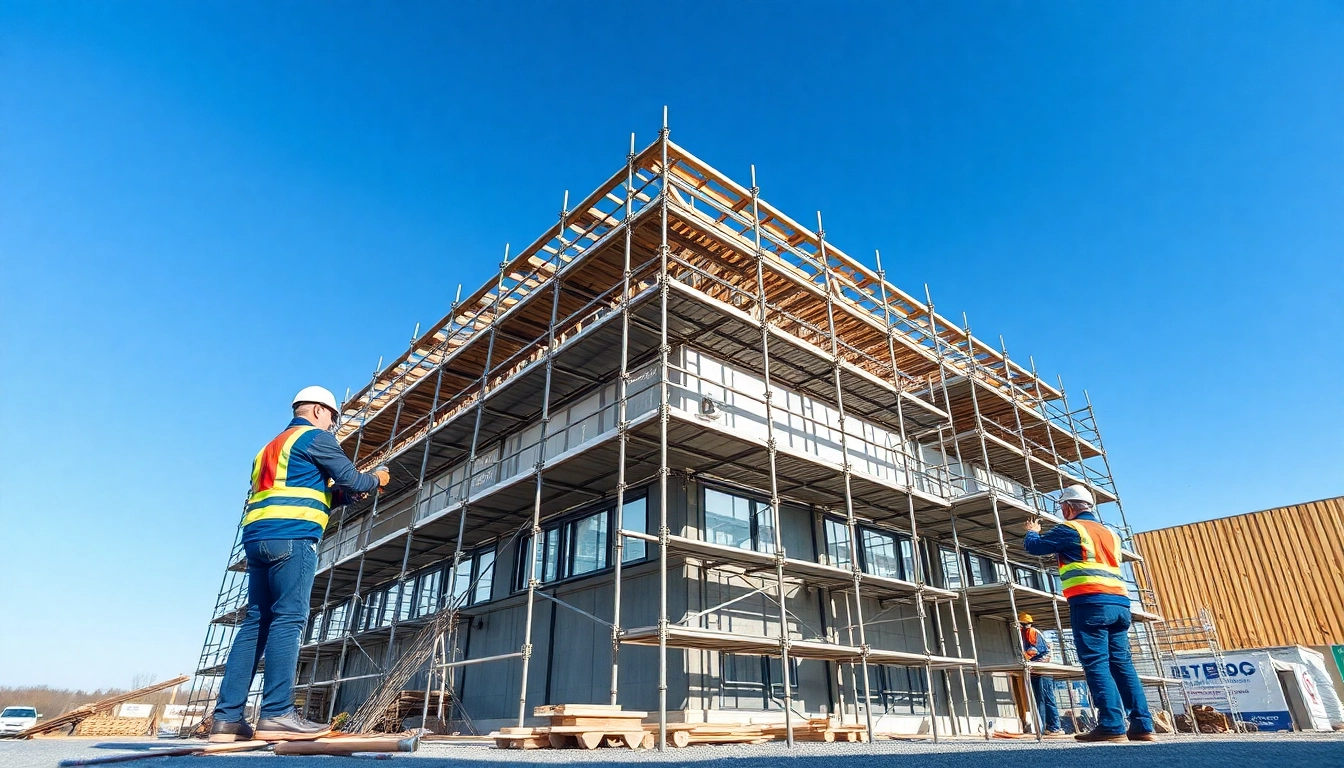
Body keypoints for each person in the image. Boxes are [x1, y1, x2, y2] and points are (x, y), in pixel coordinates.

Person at [210, 386, 388, 742]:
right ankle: (277, 713)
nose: (333, 426)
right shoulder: (316, 439)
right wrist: (375, 479)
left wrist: (343, 496)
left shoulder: (269, 448)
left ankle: (227, 719)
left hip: (258, 540)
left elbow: (305, 489)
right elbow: (353, 478)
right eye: (333, 419)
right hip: (293, 539)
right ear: (322, 412)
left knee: (255, 623)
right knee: (289, 620)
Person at [1024, 485, 1156, 743]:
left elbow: (1036, 547)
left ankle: (1112, 725)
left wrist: (1031, 533)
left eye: (1062, 508)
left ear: (1069, 507)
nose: (1062, 512)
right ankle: (1142, 726)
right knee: (1122, 665)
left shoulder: (1072, 528)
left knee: (1096, 663)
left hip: (1090, 603)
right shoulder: (1111, 534)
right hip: (1120, 604)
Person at [1019, 612, 1062, 736]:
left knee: (1043, 700)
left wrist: (1024, 657)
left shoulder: (1032, 632)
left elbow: (1034, 650)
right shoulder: (1026, 633)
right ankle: (1050, 727)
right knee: (1042, 699)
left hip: (1042, 670)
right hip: (1037, 671)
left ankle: (1047, 727)